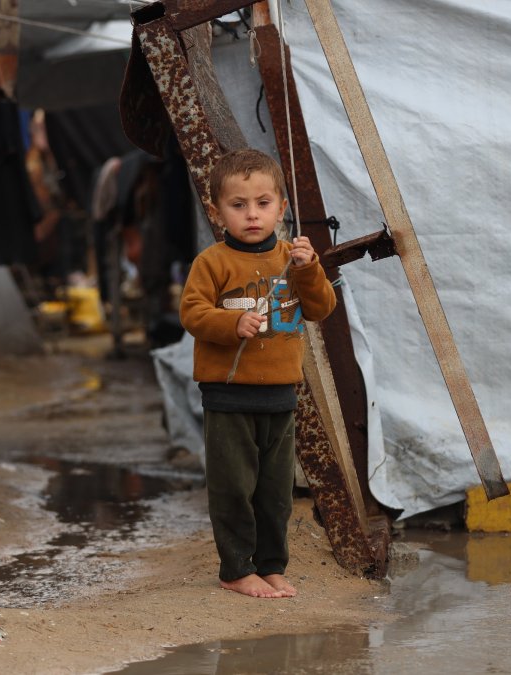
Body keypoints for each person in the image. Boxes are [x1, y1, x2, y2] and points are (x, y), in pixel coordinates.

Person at [179, 148, 337, 598]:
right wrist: (231, 324)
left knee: (275, 493)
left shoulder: (294, 258)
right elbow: (192, 313)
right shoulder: (212, 263)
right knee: (233, 489)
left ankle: (271, 566)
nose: (252, 215)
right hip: (228, 398)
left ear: (282, 208)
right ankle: (235, 569)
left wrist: (310, 271)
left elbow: (322, 307)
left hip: (281, 397)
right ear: (216, 211)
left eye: (263, 204)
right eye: (238, 205)